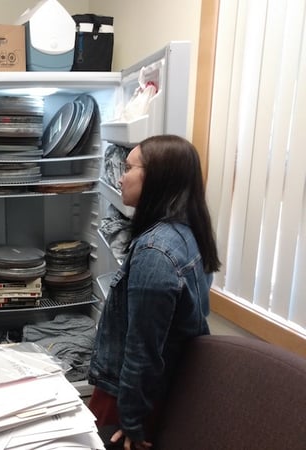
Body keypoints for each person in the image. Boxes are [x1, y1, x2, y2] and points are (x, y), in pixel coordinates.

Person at [87, 134, 221, 450]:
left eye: (129, 167)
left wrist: (131, 419)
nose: (120, 176)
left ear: (156, 179)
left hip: (130, 397)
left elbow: (142, 348)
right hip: (163, 391)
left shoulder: (155, 251)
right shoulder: (187, 232)